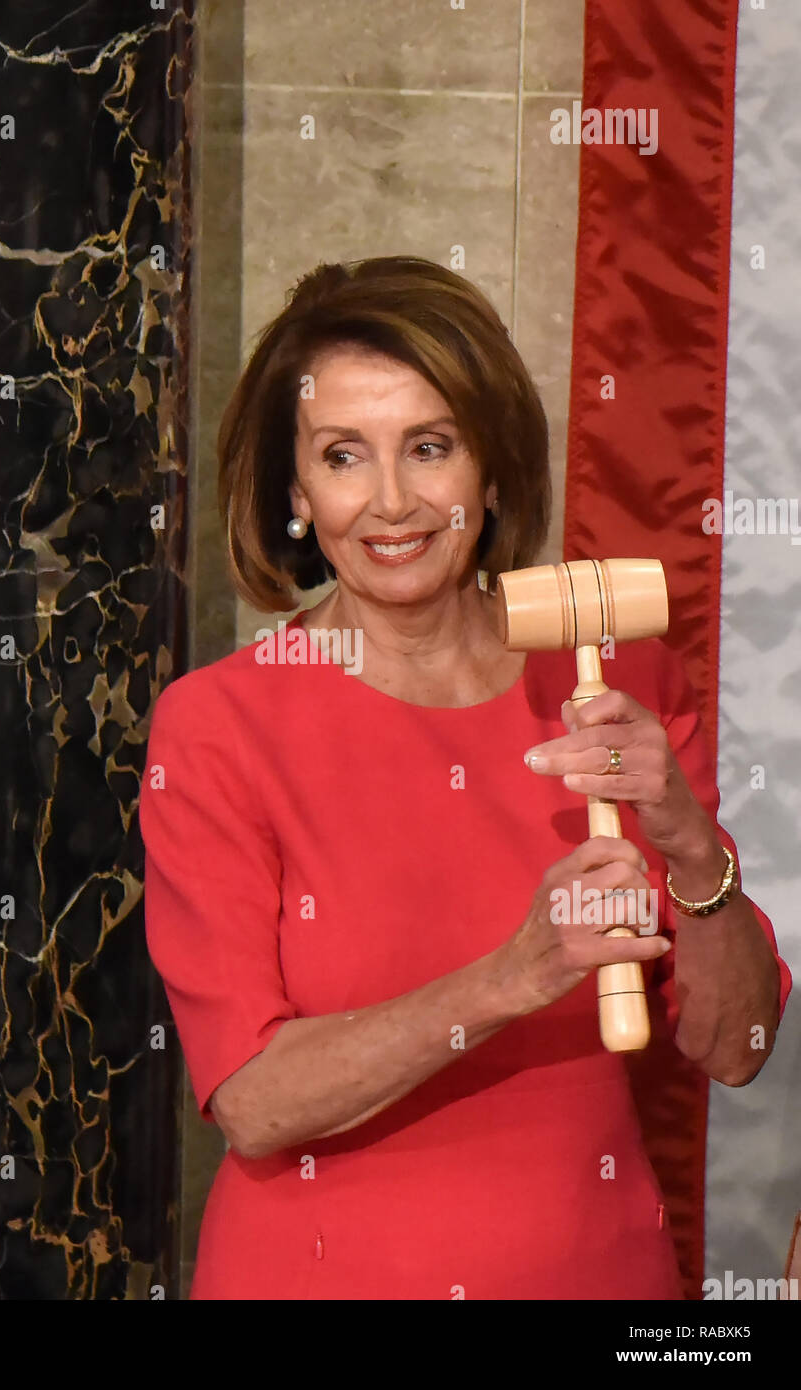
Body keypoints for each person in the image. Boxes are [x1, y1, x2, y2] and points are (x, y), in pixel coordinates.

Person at [138, 256, 792, 1300]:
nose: (392, 503)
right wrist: (516, 974)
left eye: (430, 447)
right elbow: (253, 1100)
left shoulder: (614, 678)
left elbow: (741, 1045)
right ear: (296, 491)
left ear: (491, 470)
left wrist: (690, 844)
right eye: (344, 456)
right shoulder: (219, 726)